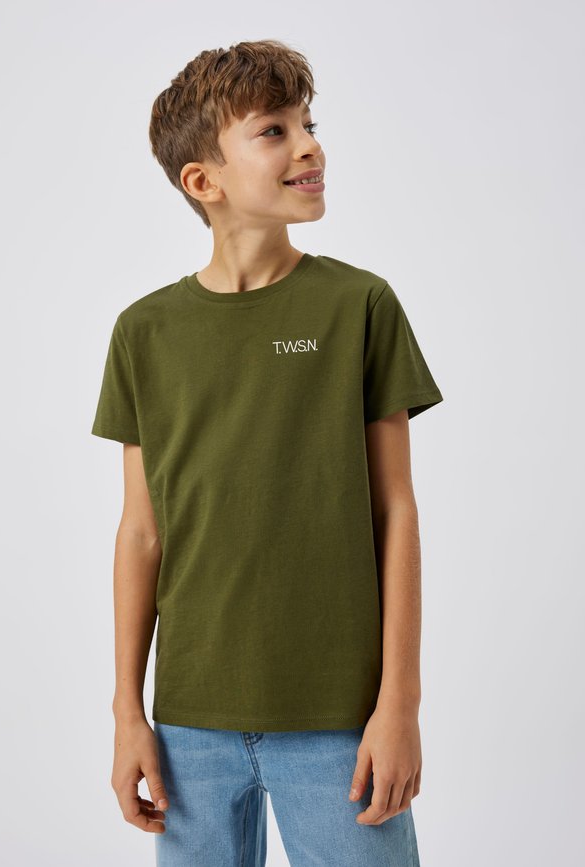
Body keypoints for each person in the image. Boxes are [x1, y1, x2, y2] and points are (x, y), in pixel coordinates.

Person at [91, 38, 443, 867]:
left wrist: (399, 702)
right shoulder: (144, 333)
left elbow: (395, 509)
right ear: (202, 181)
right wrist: (127, 712)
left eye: (309, 125)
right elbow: (141, 531)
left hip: (338, 722)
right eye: (274, 131)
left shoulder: (359, 305)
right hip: (188, 729)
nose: (309, 146)